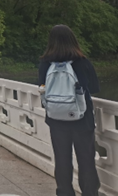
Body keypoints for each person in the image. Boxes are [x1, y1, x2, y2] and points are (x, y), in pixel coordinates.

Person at [38, 25, 100, 196]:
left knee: (62, 159)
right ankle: (90, 193)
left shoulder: (45, 64)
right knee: (86, 160)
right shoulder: (82, 62)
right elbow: (94, 88)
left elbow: (42, 88)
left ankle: (64, 192)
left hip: (56, 119)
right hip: (82, 119)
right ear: (73, 40)